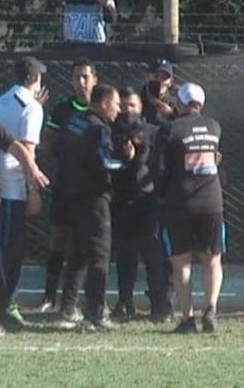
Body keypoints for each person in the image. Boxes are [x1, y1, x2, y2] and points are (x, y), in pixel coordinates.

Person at [151, 83, 225, 334]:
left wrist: (160, 194)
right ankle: (211, 309)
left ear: (180, 104)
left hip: (179, 202)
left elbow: (159, 169)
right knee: (212, 259)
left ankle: (187, 318)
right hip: (212, 201)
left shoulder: (168, 130)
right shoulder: (214, 127)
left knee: (181, 262)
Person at [56, 83, 126, 330]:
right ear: (105, 103)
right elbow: (103, 163)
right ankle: (96, 312)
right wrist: (125, 163)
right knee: (99, 255)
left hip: (71, 195)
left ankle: (68, 305)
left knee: (78, 253)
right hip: (94, 198)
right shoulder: (99, 129)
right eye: (117, 104)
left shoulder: (74, 120)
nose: (119, 110)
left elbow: (59, 150)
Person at [0, 56, 47, 328]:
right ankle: (4, 305)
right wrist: (32, 189)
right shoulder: (32, 108)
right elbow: (28, 151)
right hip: (13, 181)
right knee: (13, 248)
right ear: (35, 78)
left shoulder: (1, 100)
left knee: (0, 245)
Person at [37, 58, 97, 317]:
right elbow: (47, 144)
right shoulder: (62, 110)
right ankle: (50, 297)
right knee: (58, 239)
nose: (81, 82)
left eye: (85, 76)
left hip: (93, 189)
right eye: (76, 77)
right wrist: (62, 149)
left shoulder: (102, 108)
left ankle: (89, 300)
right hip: (65, 186)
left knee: (88, 245)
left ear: (95, 79)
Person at [110, 87, 172, 322]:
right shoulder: (110, 131)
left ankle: (159, 305)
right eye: (123, 105)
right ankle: (125, 302)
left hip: (147, 201)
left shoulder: (153, 132)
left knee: (153, 255)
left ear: (140, 108)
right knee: (125, 256)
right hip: (120, 200)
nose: (127, 110)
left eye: (132, 106)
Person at [140, 58, 178, 126]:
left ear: (171, 82)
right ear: (147, 77)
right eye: (156, 76)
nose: (160, 81)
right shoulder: (138, 101)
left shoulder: (177, 105)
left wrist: (171, 114)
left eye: (164, 78)